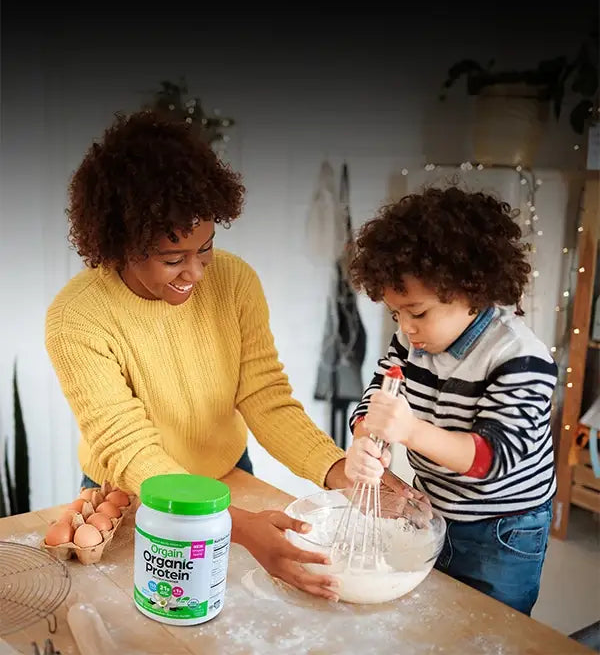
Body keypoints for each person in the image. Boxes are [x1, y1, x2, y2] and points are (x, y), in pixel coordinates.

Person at [45, 109, 417, 600]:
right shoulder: (77, 317)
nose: (196, 272)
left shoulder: (235, 282)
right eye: (173, 258)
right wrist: (237, 526)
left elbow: (265, 395)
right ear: (120, 246)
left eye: (206, 248)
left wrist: (336, 469)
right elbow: (128, 446)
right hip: (133, 490)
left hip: (228, 472)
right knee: (157, 610)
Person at [343, 185, 558, 615]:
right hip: (434, 506)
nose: (406, 328)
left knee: (491, 627)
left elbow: (488, 459)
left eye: (417, 312)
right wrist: (364, 438)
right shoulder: (410, 341)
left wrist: (408, 430)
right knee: (436, 615)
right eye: (396, 314)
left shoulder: (519, 357)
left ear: (472, 290)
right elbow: (378, 395)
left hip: (503, 529)